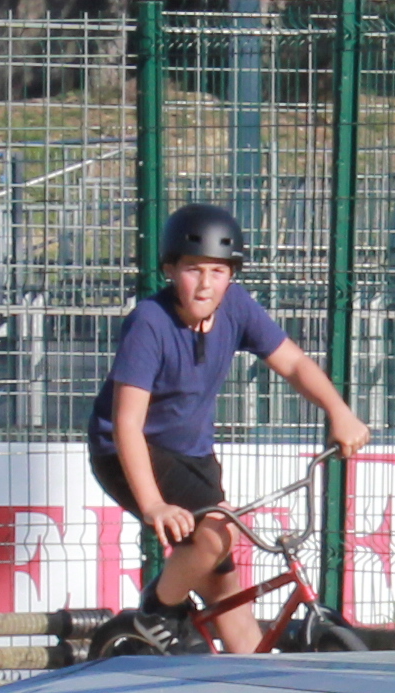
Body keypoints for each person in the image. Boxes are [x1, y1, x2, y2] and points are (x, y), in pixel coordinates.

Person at [89, 205, 368, 655]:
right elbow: (126, 424)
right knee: (219, 528)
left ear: (231, 275)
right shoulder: (149, 323)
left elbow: (293, 362)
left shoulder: (236, 305)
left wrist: (339, 411)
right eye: (192, 270)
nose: (205, 284)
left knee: (225, 585)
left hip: (192, 454)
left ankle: (260, 684)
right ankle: (156, 611)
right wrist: (154, 504)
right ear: (169, 271)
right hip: (127, 452)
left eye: (217, 272)